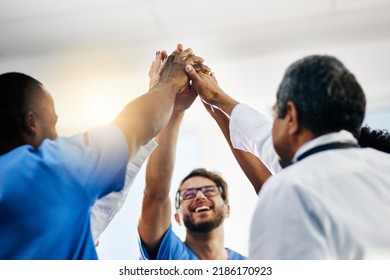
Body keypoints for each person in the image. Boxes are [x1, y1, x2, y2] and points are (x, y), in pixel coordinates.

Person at [0, 44, 203, 259]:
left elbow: (101, 204)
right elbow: (137, 126)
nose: (56, 137)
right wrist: (168, 84)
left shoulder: (44, 205)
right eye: (52, 123)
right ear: (31, 122)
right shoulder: (47, 168)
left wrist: (166, 102)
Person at [186, 55, 390, 259]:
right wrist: (217, 102)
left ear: (291, 115)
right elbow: (265, 140)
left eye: (276, 116)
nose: (273, 126)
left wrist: (218, 100)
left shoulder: (290, 189)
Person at [137, 51, 246, 260]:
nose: (199, 196)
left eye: (209, 190)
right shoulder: (168, 256)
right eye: (187, 195)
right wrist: (174, 108)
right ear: (176, 217)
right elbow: (155, 196)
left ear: (228, 208)